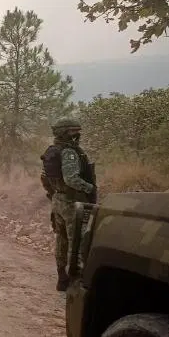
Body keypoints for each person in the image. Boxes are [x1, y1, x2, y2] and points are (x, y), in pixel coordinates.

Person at [40, 118, 96, 291]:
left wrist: (54, 194)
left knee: (61, 240)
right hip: (72, 202)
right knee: (77, 240)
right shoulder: (69, 152)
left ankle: (61, 278)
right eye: (73, 131)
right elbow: (71, 178)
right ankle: (74, 279)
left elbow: (44, 177)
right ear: (64, 132)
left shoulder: (52, 151)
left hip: (58, 200)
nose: (77, 134)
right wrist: (89, 188)